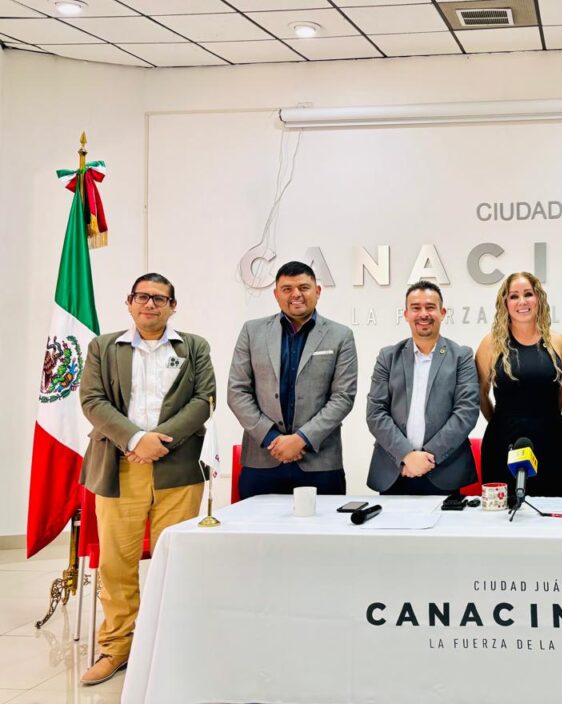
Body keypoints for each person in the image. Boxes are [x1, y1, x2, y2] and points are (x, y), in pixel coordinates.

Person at [78, 273, 215, 685]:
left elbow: (204, 400)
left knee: (174, 561)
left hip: (178, 468)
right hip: (119, 465)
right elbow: (92, 400)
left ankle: (171, 645)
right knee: (116, 564)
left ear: (173, 306)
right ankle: (116, 647)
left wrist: (159, 442)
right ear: (129, 302)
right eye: (142, 297)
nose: (150, 304)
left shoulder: (193, 347)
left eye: (159, 298)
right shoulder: (104, 347)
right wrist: (137, 439)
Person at [227, 261, 357, 498]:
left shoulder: (341, 336)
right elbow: (237, 391)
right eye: (287, 289)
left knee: (324, 523)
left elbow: (343, 397)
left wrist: (301, 440)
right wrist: (272, 439)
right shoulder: (252, 331)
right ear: (276, 294)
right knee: (256, 524)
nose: (296, 294)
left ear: (317, 291)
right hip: (262, 459)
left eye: (303, 287)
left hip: (319, 462)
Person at [366, 281, 479, 494]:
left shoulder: (461, 356)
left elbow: (467, 412)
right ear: (406, 314)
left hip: (444, 472)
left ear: (442, 313)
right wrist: (407, 456)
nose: (423, 314)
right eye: (416, 308)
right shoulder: (387, 357)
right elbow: (376, 413)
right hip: (396, 470)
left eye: (430, 307)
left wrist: (426, 458)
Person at [476, 272, 562, 497]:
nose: (522, 302)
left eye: (528, 294)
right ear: (505, 303)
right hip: (503, 444)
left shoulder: (559, 343)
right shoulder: (490, 344)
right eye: (514, 296)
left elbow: (561, 395)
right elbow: (480, 394)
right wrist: (501, 422)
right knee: (504, 514)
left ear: (538, 298)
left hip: (552, 443)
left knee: (554, 513)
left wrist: (541, 421)